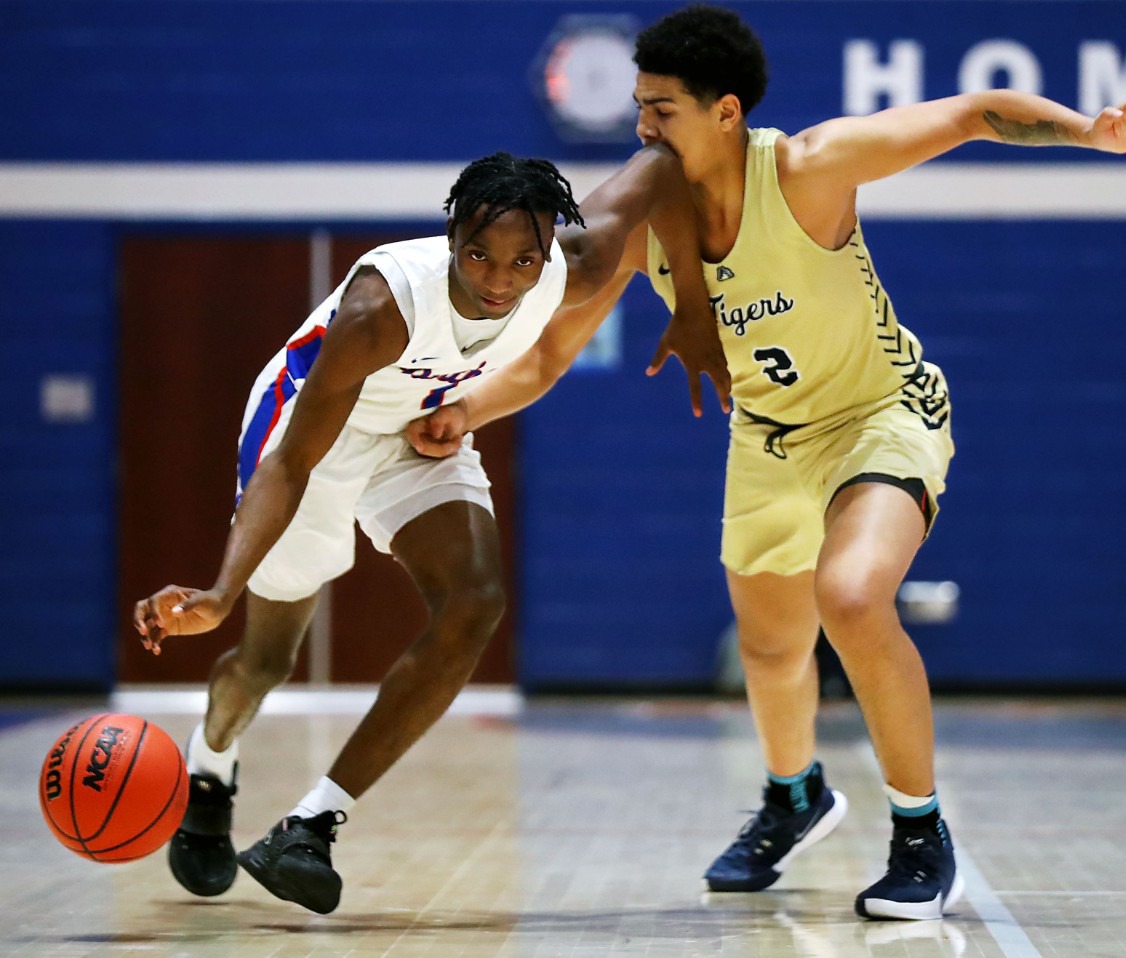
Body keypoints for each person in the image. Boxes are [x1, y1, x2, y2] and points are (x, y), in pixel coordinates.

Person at [405, 3, 1126, 921]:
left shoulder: (809, 168)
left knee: (850, 596)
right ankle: (792, 796)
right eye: (640, 108)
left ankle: (920, 829)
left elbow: (972, 112)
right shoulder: (650, 223)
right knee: (772, 648)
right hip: (767, 438)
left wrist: (1092, 131)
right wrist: (461, 411)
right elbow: (545, 358)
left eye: (662, 109)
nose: (642, 127)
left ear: (726, 112)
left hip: (879, 415)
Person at [132, 147, 726, 915]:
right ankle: (210, 774)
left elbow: (662, 172)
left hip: (411, 430)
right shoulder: (384, 309)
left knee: (476, 601)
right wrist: (220, 589)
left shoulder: (573, 266)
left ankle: (310, 825)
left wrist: (692, 304)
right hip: (310, 432)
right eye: (478, 254)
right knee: (268, 660)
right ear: (451, 235)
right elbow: (294, 461)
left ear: (551, 246)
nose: (499, 279)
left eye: (522, 260)